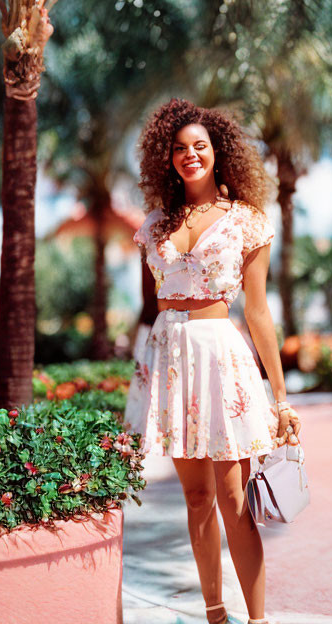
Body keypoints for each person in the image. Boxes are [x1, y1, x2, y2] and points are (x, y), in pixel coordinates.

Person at [124, 98, 303, 624]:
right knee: (196, 498)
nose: (190, 156)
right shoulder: (154, 225)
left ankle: (258, 620)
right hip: (170, 359)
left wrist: (281, 397)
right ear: (167, 158)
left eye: (199, 146)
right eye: (179, 149)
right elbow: (149, 309)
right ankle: (215, 614)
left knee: (234, 499)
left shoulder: (246, 220)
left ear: (217, 152)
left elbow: (258, 312)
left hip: (219, 357)